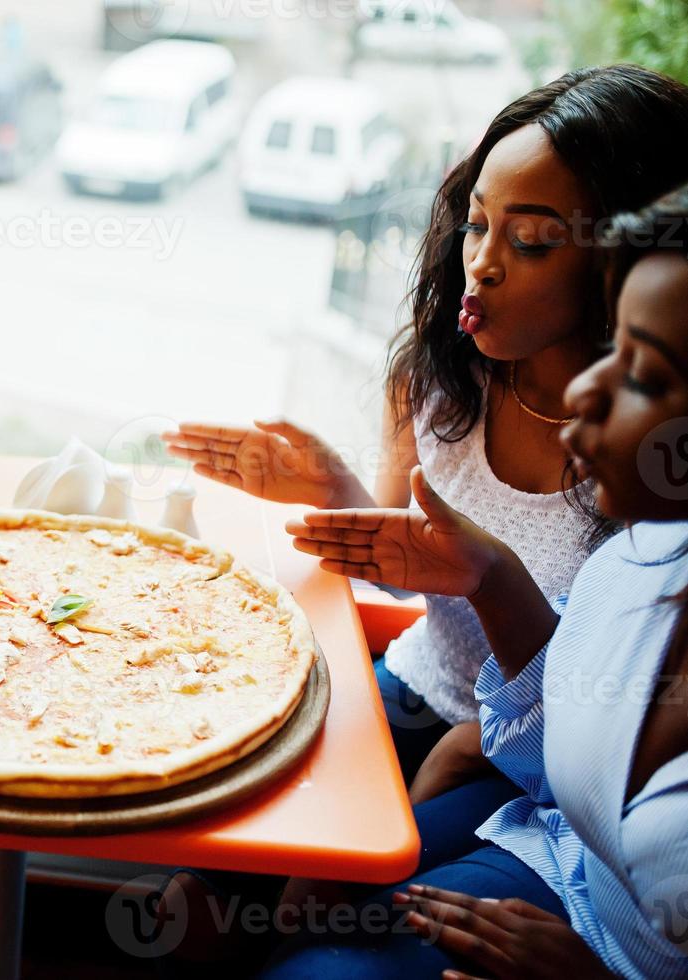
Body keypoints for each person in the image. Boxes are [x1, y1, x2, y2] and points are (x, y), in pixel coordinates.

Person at [155, 65, 688, 970]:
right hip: (415, 694)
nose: (479, 261)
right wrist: (334, 493)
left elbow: (567, 727)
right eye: (477, 222)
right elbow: (414, 562)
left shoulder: (637, 505)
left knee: (310, 926)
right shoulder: (447, 376)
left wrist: (468, 740)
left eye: (531, 241)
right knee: (181, 909)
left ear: (618, 265)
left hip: (498, 759)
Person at [269, 183, 688, 980]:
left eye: (642, 375)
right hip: (556, 864)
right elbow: (556, 757)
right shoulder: (633, 566)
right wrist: (487, 577)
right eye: (476, 224)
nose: (583, 394)